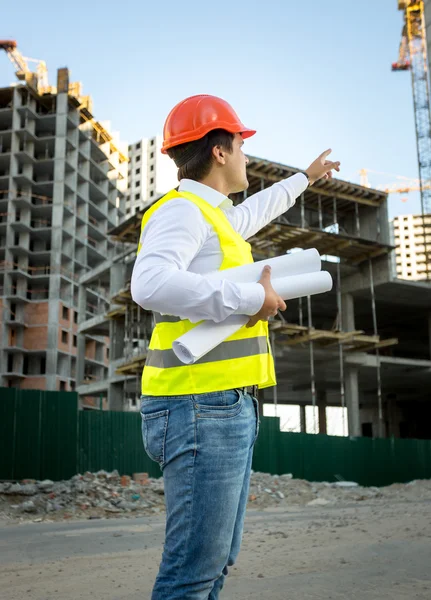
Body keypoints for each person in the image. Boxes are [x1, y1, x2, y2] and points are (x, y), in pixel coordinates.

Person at [131, 94, 340, 599]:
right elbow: (149, 284)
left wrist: (304, 179)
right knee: (194, 573)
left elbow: (258, 210)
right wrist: (251, 298)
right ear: (220, 151)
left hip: (222, 403)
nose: (247, 156)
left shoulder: (214, 216)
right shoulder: (181, 212)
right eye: (242, 145)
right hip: (198, 404)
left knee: (214, 564)